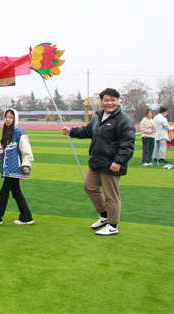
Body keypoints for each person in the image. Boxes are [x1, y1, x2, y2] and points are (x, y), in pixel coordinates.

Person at [62, 88, 135, 236]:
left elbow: (127, 144)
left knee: (111, 195)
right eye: (107, 100)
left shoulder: (124, 120)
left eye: (113, 100)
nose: (110, 103)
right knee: (89, 187)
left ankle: (113, 225)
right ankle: (104, 216)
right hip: (96, 161)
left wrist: (118, 161)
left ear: (118, 101)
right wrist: (71, 131)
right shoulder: (98, 117)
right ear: (101, 101)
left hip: (112, 164)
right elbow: (88, 130)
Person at [0, 108, 34, 225]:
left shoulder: (19, 133)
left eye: (11, 117)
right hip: (9, 168)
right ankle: (26, 216)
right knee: (16, 193)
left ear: (15, 119)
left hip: (15, 168)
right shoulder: (7, 133)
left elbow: (26, 150)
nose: (8, 120)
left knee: (4, 192)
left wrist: (26, 165)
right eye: (6, 117)